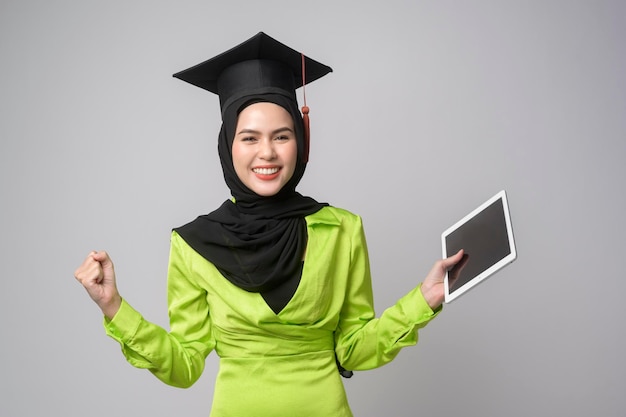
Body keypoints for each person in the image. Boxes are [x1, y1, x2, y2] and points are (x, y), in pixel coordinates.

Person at [74, 32, 464, 417]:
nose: (268, 153)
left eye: (282, 135)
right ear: (228, 145)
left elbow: (354, 349)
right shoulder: (192, 244)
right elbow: (184, 365)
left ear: (301, 140)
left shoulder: (342, 230)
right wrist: (113, 307)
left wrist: (423, 300)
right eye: (249, 138)